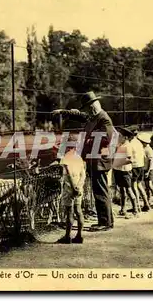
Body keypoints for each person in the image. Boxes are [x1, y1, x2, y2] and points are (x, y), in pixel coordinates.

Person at [52, 91, 115, 231]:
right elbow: (81, 116)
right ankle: (107, 220)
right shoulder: (94, 116)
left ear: (93, 106)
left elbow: (106, 139)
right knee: (100, 190)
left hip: (99, 160)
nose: (87, 110)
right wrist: (65, 112)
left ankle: (105, 223)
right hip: (94, 159)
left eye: (88, 107)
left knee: (100, 191)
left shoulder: (104, 119)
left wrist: (86, 140)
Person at [55, 135, 86, 244]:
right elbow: (83, 174)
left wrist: (73, 187)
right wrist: (79, 186)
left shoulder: (66, 158)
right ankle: (79, 235)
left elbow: (68, 175)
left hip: (69, 188)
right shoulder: (79, 157)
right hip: (79, 187)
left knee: (69, 212)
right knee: (79, 211)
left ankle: (67, 236)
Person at [112, 127, 139, 219]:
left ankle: (135, 209)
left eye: (120, 136)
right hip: (118, 170)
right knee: (122, 190)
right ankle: (123, 209)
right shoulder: (120, 144)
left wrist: (118, 162)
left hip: (124, 171)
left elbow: (130, 159)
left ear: (125, 137)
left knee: (128, 189)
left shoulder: (128, 146)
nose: (119, 137)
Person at [129, 129, 152, 212]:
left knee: (134, 186)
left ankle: (137, 206)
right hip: (141, 166)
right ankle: (146, 204)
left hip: (134, 166)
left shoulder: (131, 143)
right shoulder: (139, 143)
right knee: (139, 185)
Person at [138, 132, 153, 208]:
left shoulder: (148, 150)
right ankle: (148, 199)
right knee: (146, 186)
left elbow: (150, 161)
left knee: (149, 185)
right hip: (144, 168)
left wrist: (148, 171)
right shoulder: (143, 148)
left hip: (149, 169)